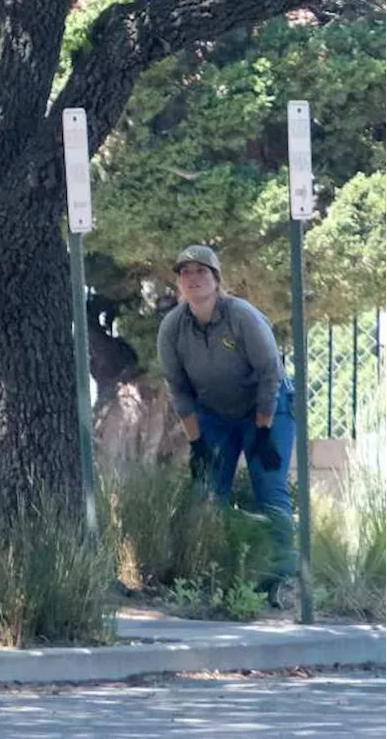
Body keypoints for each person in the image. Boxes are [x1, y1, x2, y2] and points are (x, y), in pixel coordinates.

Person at [156, 244, 296, 606]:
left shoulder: (241, 316)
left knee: (270, 488)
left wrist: (263, 431)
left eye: (202, 271)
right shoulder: (173, 327)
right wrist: (197, 442)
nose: (193, 278)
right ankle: (210, 573)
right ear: (179, 285)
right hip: (215, 414)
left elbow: (270, 374)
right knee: (207, 492)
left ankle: (282, 580)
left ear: (217, 280)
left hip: (266, 409)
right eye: (185, 273)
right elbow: (178, 388)